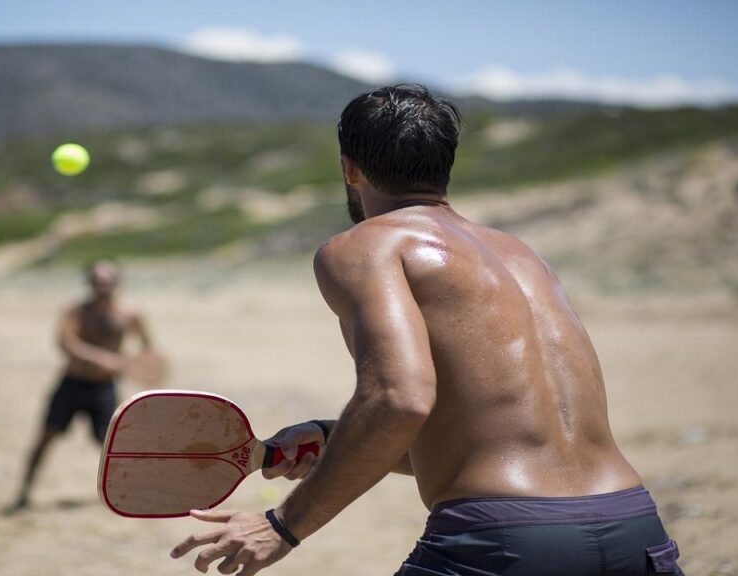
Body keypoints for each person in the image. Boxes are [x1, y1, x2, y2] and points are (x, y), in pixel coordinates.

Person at [170, 85, 683, 576]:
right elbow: (496, 437)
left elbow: (399, 400)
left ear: (350, 168)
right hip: (633, 528)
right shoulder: (522, 256)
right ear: (445, 167)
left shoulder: (367, 245)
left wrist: (281, 525)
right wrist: (334, 437)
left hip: (503, 541)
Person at [8, 259, 156, 512]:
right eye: (98, 280)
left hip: (104, 388)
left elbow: (147, 348)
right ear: (89, 283)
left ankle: (129, 493)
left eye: (108, 280)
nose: (103, 285)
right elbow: (67, 343)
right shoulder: (76, 311)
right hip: (72, 384)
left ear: (119, 281)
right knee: (46, 436)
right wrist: (103, 358)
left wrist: (140, 366)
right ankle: (24, 492)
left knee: (110, 443)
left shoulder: (131, 314)